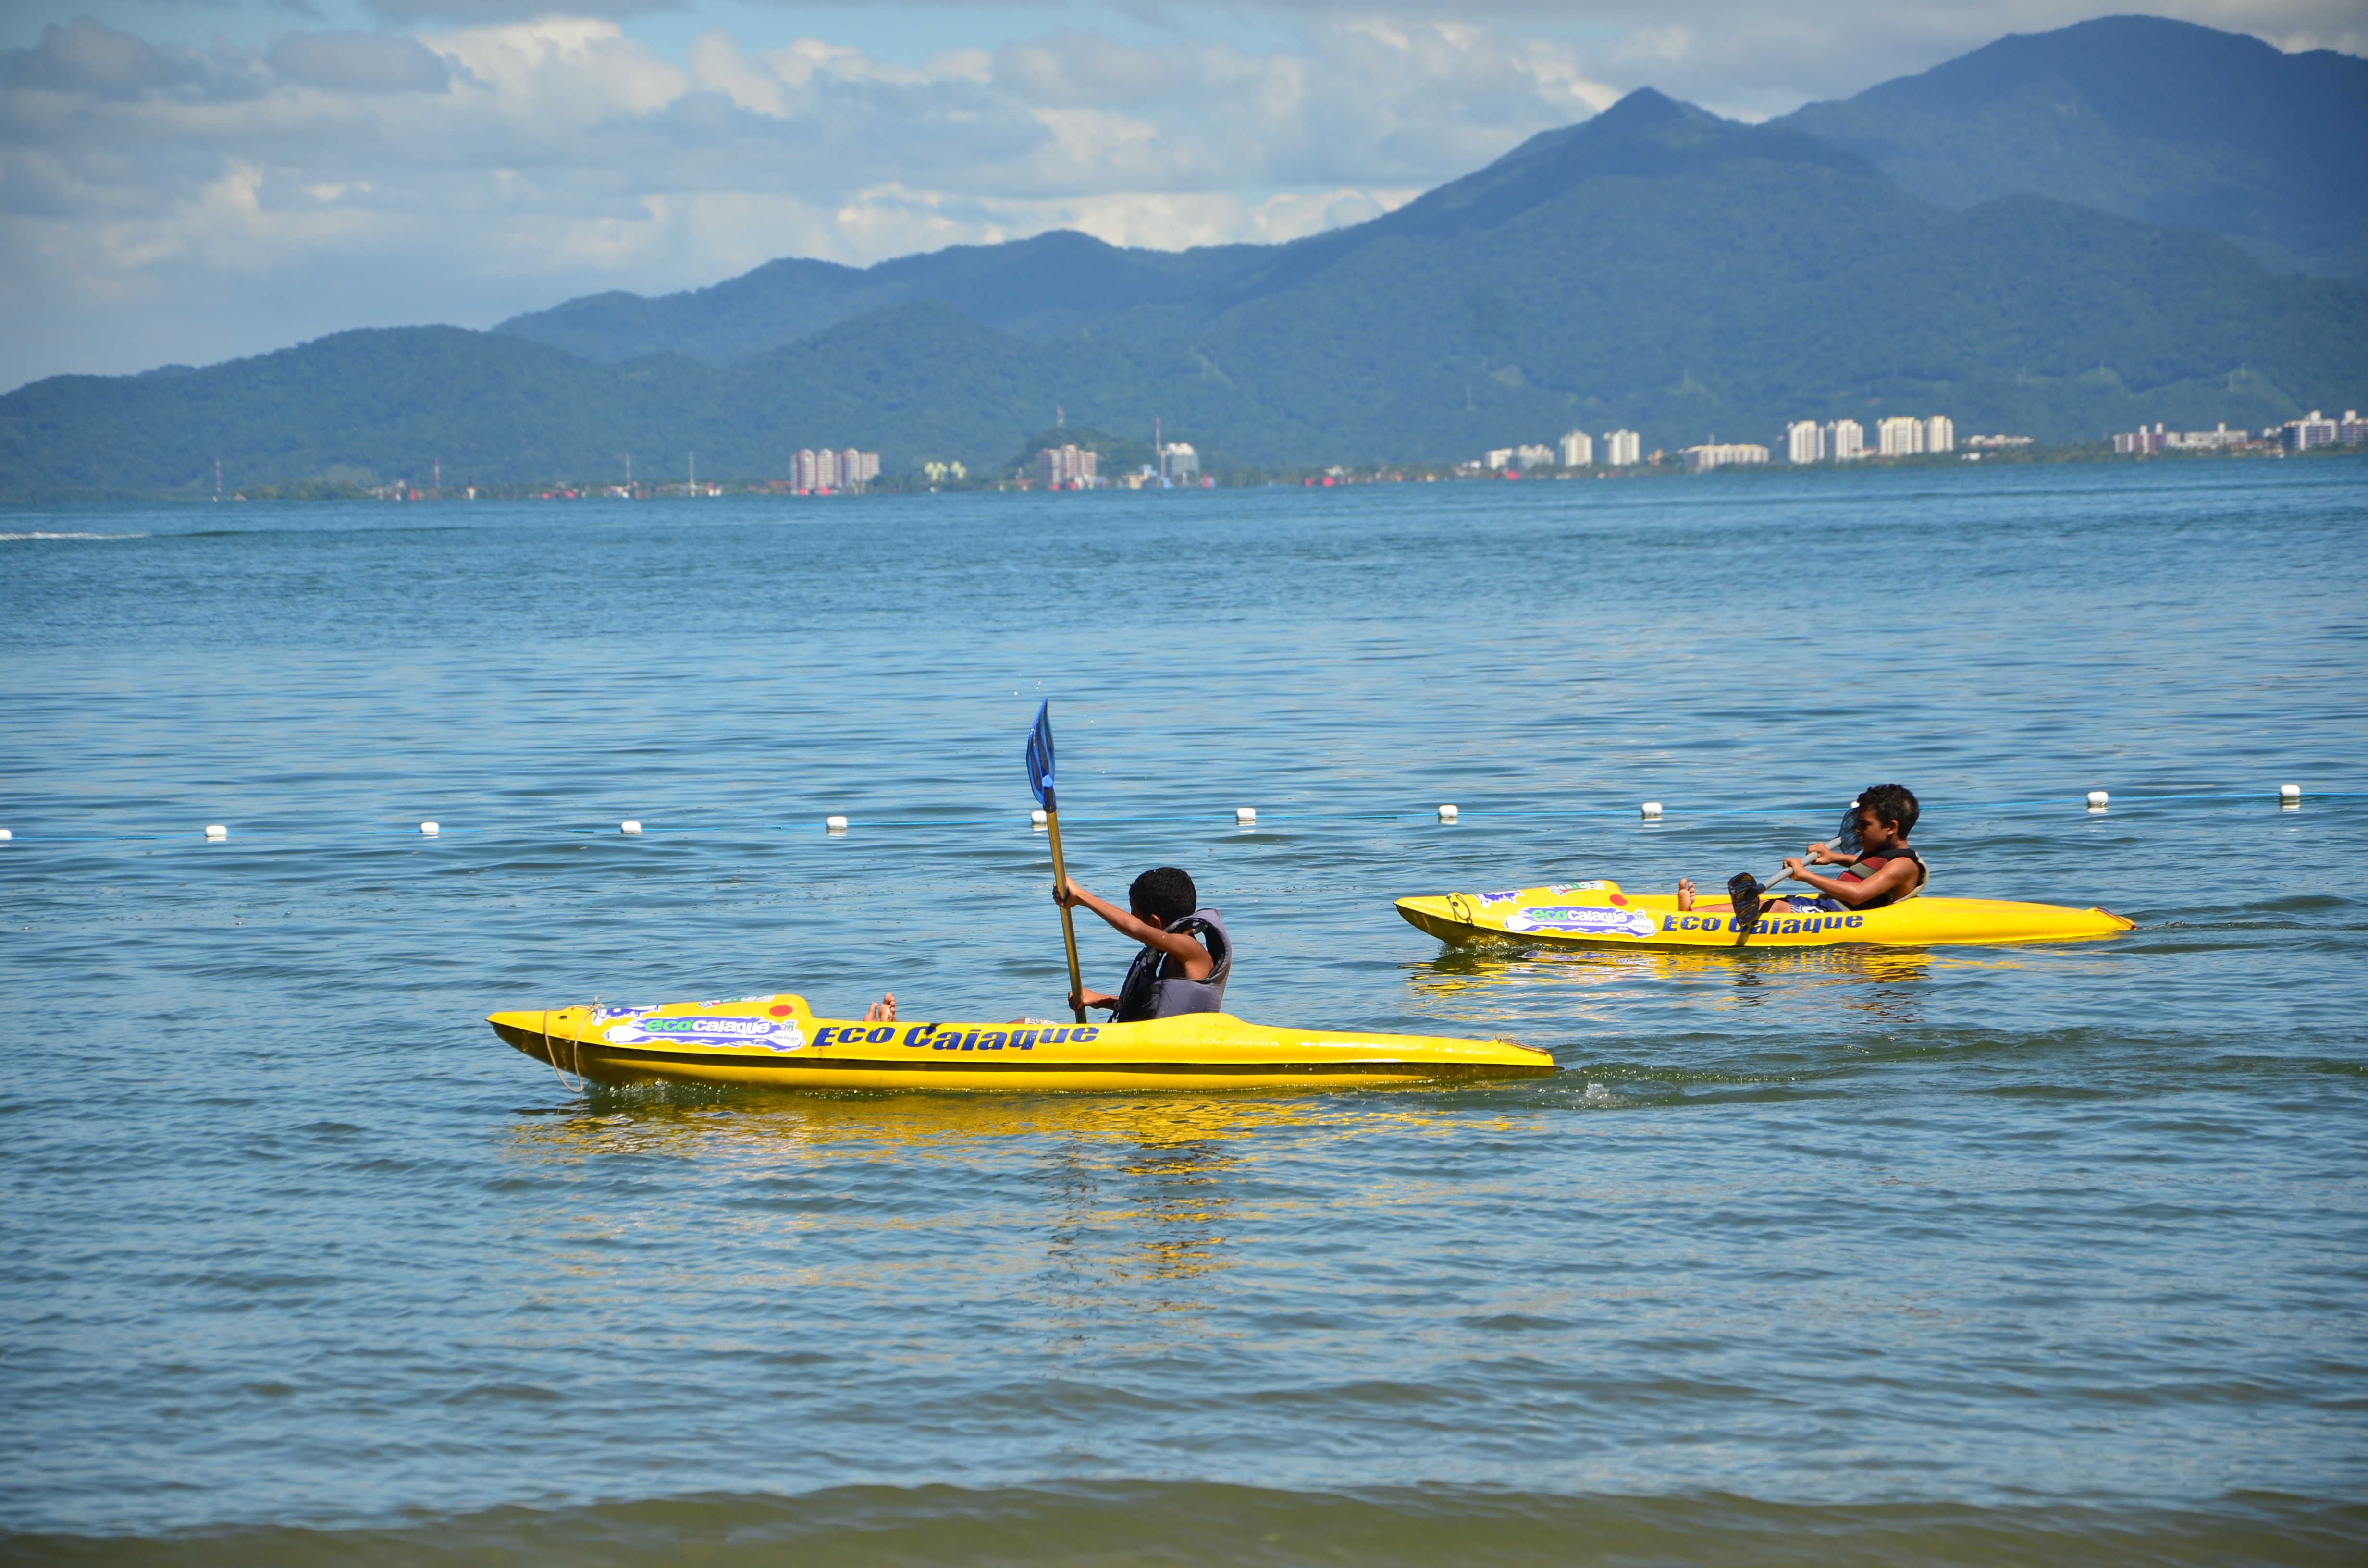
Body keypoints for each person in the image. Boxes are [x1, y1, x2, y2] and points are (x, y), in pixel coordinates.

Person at [1677, 784, 1928, 915]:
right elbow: (1866, 869)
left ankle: (1691, 919)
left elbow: (1859, 894)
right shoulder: (1884, 855)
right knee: (1768, 904)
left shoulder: (1903, 865)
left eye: (1864, 825)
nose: (1857, 831)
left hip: (1842, 914)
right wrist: (1835, 858)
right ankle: (1692, 914)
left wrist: (1806, 876)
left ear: (1891, 827)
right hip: (1831, 908)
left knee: (1773, 908)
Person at [1055, 865, 1232, 1021]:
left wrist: (1081, 897)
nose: (1131, 918)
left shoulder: (1191, 950)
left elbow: (1134, 928)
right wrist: (1101, 1000)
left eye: (1134, 914)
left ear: (1155, 924)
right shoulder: (1174, 954)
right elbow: (1159, 1007)